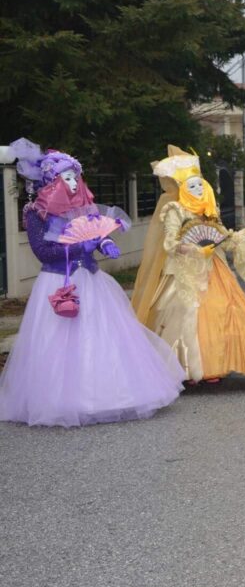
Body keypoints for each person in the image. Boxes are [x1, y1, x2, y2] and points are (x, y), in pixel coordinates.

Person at [0, 139, 182, 426]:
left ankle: (108, 395)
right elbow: (42, 251)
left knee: (102, 337)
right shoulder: (37, 213)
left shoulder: (83, 208)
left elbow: (94, 233)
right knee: (58, 342)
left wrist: (103, 243)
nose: (74, 183)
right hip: (58, 282)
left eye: (76, 177)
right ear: (52, 181)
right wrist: (76, 248)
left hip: (92, 280)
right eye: (67, 177)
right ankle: (61, 401)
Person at [131, 145, 245, 385]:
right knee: (184, 313)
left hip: (213, 269)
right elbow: (170, 243)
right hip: (184, 271)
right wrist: (195, 250)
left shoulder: (209, 210)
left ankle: (216, 364)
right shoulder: (175, 210)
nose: (198, 190)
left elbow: (223, 239)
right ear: (182, 189)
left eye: (200, 185)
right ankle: (186, 367)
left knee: (224, 310)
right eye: (192, 187)